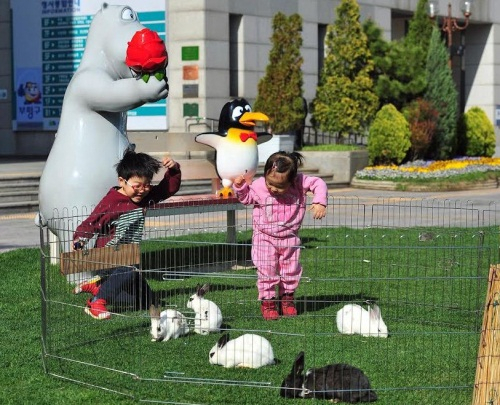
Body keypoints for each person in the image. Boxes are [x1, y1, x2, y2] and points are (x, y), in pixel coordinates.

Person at [72, 148, 181, 320]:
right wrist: (80, 240)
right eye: (137, 186)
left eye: (147, 185)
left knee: (149, 302)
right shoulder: (111, 201)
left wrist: (174, 170)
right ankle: (97, 302)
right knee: (130, 268)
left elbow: (168, 189)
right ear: (122, 181)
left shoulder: (144, 196)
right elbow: (91, 222)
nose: (142, 190)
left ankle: (99, 287)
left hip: (128, 255)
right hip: (106, 255)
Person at [233, 151, 327, 320]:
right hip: (264, 237)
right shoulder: (260, 185)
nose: (273, 189)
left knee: (290, 270)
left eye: (280, 186)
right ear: (265, 175)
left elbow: (319, 183)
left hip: (290, 237)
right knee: (267, 270)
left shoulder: (299, 183)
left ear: (292, 180)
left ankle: (287, 299)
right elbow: (246, 199)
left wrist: (319, 200)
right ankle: (268, 301)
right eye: (270, 183)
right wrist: (240, 187)